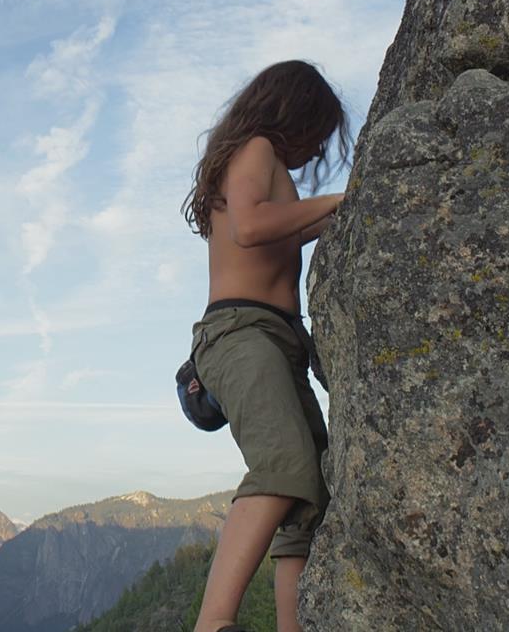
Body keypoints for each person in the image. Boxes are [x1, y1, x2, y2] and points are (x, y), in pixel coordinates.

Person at [181, 60, 351, 632]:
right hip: (242, 333)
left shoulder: (266, 163)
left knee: (312, 494)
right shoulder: (255, 148)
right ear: (294, 113)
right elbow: (251, 227)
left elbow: (281, 231)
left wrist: (329, 217)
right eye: (318, 132)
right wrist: (337, 201)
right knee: (283, 463)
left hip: (276, 342)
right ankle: (213, 622)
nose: (317, 148)